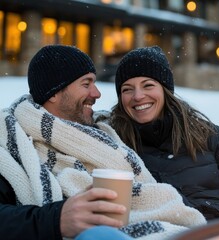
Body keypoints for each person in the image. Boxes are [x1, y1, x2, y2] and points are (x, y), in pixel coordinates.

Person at [0, 45, 206, 240]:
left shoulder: (106, 130)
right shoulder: (11, 140)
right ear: (54, 92)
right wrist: (56, 219)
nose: (97, 93)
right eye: (86, 84)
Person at [109, 46, 219, 220]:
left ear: (165, 90)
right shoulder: (115, 144)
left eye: (148, 85)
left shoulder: (208, 135)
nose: (138, 96)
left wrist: (208, 219)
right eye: (127, 89)